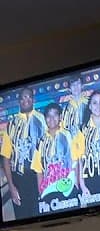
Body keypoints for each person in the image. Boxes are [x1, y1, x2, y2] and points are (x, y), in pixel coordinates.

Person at [0, 86, 46, 221]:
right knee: (23, 220)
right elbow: (6, 157)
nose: (26, 100)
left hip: (38, 177)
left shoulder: (42, 120)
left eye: (29, 97)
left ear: (33, 100)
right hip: (19, 179)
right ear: (19, 101)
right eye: (23, 97)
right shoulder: (12, 124)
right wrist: (12, 187)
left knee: (42, 218)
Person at [31, 103, 78, 213]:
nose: (52, 119)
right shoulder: (41, 141)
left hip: (67, 186)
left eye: (55, 115)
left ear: (60, 117)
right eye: (49, 115)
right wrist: (41, 192)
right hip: (49, 189)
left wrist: (75, 184)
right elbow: (38, 170)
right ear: (45, 118)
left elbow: (75, 161)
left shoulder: (68, 135)